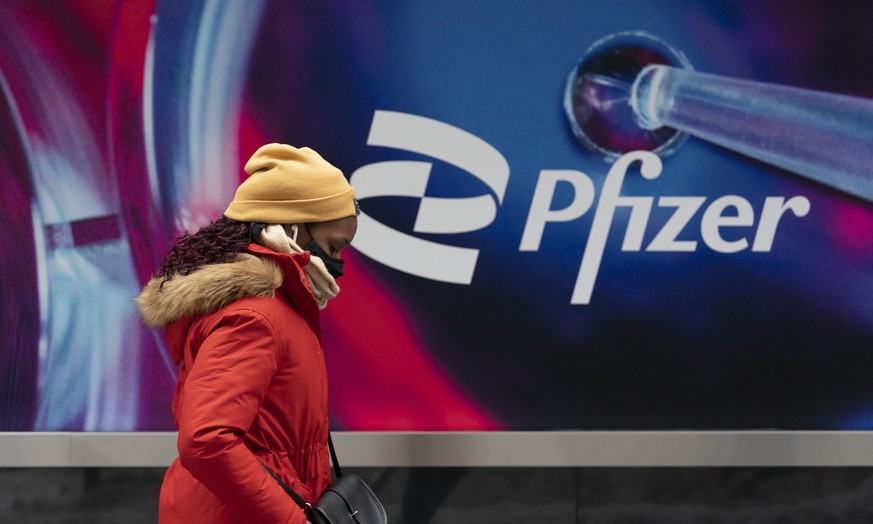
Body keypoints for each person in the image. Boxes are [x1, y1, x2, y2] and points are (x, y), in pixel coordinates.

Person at [136, 143, 358, 523]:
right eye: (334, 246)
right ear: (291, 227)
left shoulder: (277, 307)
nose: (338, 264)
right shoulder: (256, 317)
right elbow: (206, 440)